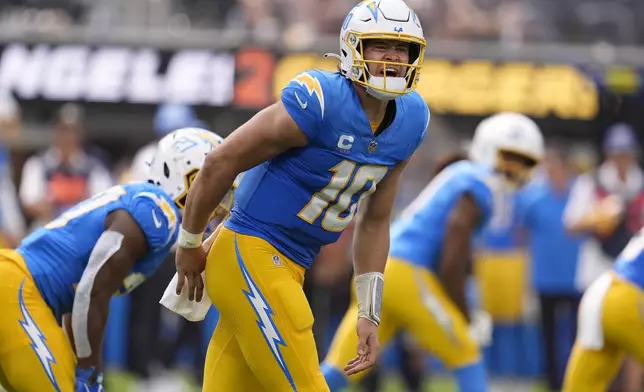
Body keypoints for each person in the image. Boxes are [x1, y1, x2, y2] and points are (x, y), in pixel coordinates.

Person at [173, 0, 430, 390]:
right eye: (380, 45)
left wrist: (369, 312)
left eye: (403, 48)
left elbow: (375, 219)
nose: (394, 57)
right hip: (252, 251)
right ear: (353, 48)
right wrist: (190, 240)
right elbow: (221, 161)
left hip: (291, 264)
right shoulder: (321, 100)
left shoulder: (411, 120)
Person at [321, 112, 545, 392]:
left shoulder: (460, 174)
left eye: (524, 163)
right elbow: (452, 258)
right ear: (488, 149)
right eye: (509, 158)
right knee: (466, 353)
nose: (514, 170)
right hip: (405, 272)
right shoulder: (478, 184)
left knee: (342, 367)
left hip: (379, 270)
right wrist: (464, 314)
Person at [0, 128, 232, 392]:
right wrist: (91, 368)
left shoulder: (150, 207)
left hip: (27, 294)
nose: (220, 202)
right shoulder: (156, 211)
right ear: (184, 176)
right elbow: (91, 289)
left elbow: (79, 292)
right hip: (18, 292)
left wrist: (82, 361)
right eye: (215, 185)